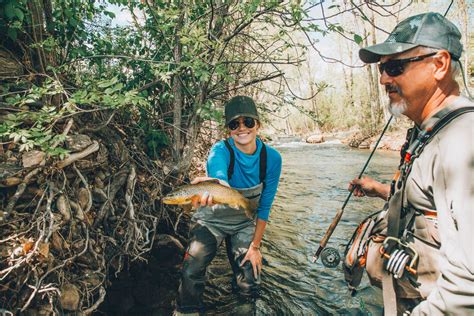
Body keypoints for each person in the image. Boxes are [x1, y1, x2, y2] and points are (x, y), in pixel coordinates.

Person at [348, 12, 473, 315]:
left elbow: (469, 282)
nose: (383, 79)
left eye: (395, 67)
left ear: (440, 65)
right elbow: (428, 199)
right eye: (382, 69)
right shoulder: (428, 130)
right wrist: (380, 189)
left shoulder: (462, 141)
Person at [175, 95, 282, 315]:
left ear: (258, 124)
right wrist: (217, 185)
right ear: (228, 129)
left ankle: (244, 305)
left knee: (250, 276)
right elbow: (219, 175)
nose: (242, 128)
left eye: (248, 122)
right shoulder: (219, 151)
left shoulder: (272, 159)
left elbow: (265, 206)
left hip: (244, 222)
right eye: (235, 124)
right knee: (192, 269)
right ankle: (186, 310)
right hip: (211, 219)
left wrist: (255, 248)